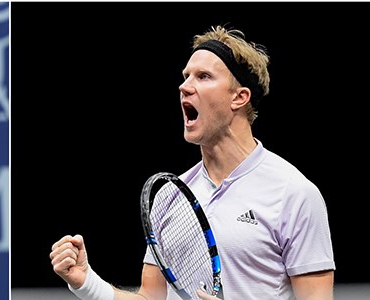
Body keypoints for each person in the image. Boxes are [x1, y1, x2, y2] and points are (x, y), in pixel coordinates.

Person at [49, 25, 335, 300]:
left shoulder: (295, 194)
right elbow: (151, 298)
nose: (184, 86)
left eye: (204, 76)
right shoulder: (170, 195)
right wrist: (86, 283)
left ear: (239, 97)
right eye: (186, 76)